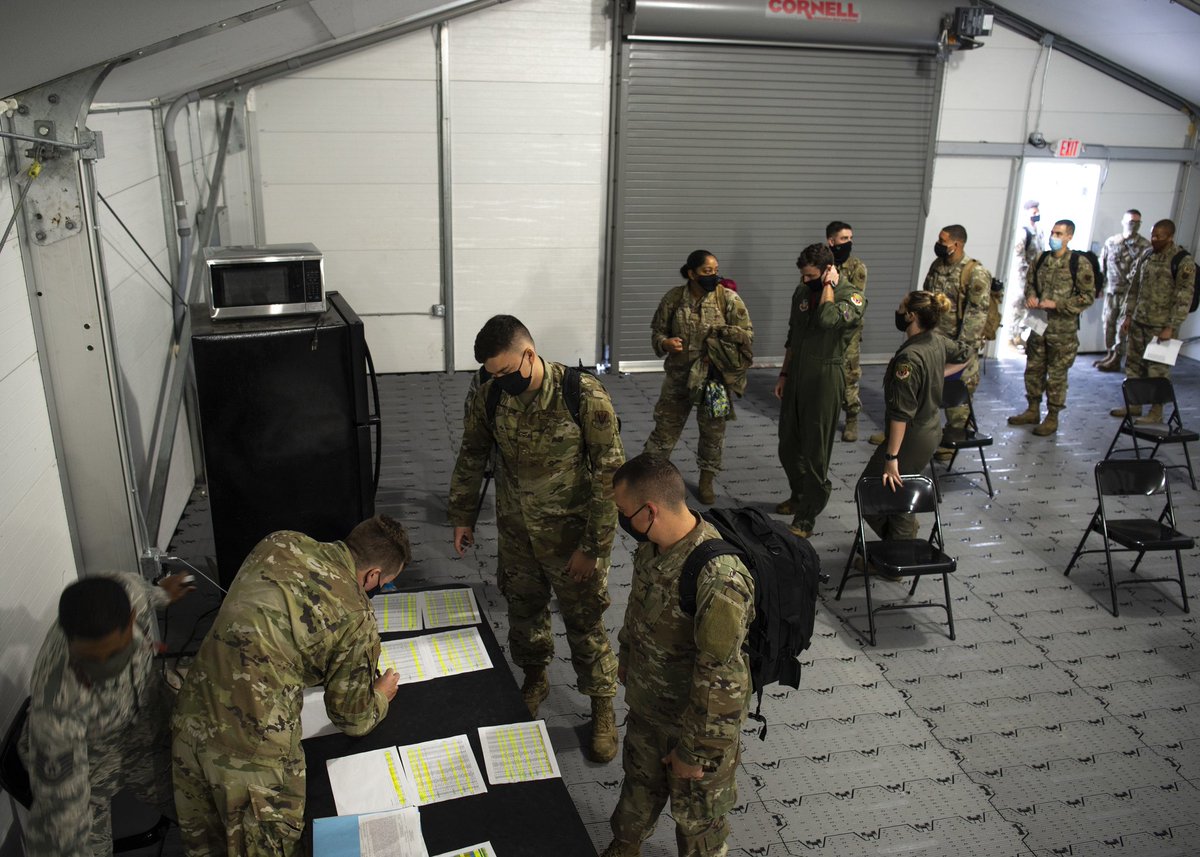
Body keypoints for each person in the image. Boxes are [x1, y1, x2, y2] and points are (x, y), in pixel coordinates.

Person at [172, 515, 411, 857]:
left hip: (190, 720)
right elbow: (352, 718)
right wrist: (380, 696)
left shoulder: (280, 541)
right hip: (252, 758)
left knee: (206, 847)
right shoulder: (356, 615)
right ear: (373, 575)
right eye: (384, 583)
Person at [449, 315, 623, 761]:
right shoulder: (490, 395)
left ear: (529, 354)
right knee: (523, 612)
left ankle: (602, 706)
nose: (500, 382)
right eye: (493, 375)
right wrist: (463, 515)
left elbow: (610, 478)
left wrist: (593, 548)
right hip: (517, 532)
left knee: (585, 623)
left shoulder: (582, 396)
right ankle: (535, 676)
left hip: (572, 538)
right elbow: (472, 452)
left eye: (506, 372)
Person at [601, 454, 754, 857]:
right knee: (637, 792)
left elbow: (724, 680)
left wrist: (694, 753)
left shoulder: (719, 578)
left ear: (649, 511)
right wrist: (628, 661)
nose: (621, 520)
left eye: (623, 512)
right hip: (650, 710)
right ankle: (625, 846)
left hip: (694, 727)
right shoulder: (654, 548)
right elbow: (639, 614)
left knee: (698, 823)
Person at [20, 571, 193, 857]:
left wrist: (163, 594)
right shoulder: (58, 708)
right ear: (69, 640)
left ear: (131, 618)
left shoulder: (128, 591)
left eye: (114, 654)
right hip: (90, 765)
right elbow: (62, 817)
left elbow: (146, 593)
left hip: (145, 730)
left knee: (208, 809)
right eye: (90, 659)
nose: (103, 668)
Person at [644, 250, 754, 505]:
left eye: (715, 270)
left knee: (713, 432)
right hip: (679, 377)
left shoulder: (728, 298)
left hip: (713, 379)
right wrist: (665, 343)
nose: (713, 275)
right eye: (707, 271)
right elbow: (657, 332)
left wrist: (723, 340)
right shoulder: (674, 298)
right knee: (664, 430)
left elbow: (746, 335)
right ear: (691, 273)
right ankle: (648, 478)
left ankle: (706, 479)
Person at [859, 291, 970, 542]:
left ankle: (900, 550)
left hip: (911, 437)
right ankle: (900, 544)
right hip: (930, 431)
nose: (897, 312)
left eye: (901, 307)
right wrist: (936, 375)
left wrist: (891, 457)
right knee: (900, 490)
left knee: (870, 490)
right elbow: (966, 353)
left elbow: (901, 414)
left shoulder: (909, 358)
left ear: (911, 315)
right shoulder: (936, 341)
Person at [775, 243, 866, 537]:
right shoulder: (802, 291)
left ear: (828, 271)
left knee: (816, 451)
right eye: (803, 275)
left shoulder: (851, 296)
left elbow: (827, 319)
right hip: (798, 373)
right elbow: (793, 335)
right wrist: (784, 373)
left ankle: (806, 517)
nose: (805, 281)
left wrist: (828, 287)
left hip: (826, 375)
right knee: (788, 444)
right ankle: (799, 494)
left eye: (812, 275)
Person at [1007, 219, 1095, 436]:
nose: (1054, 237)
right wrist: (1031, 296)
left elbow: (1087, 296)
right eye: (1053, 233)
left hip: (1062, 330)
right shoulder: (1042, 258)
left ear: (1069, 236)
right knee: (1033, 370)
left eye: (1059, 234)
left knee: (1056, 376)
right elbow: (1029, 282)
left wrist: (1059, 304)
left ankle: (1052, 417)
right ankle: (1032, 409)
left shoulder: (1079, 263)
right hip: (1038, 325)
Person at [917, 225, 992, 460]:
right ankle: (919, 434)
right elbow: (927, 298)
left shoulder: (974, 272)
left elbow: (976, 313)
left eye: (943, 240)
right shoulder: (937, 267)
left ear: (956, 244)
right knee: (926, 389)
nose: (939, 244)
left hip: (957, 345)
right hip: (933, 341)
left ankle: (953, 439)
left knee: (956, 393)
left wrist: (963, 350)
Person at [1112, 218, 1196, 423]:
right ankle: (1134, 405)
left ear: (1170, 236)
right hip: (1139, 322)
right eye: (1152, 235)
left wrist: (1171, 326)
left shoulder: (1182, 261)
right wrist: (1128, 315)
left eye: (1159, 236)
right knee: (1134, 365)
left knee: (1158, 370)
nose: (1154, 239)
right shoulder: (1147, 255)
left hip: (1162, 327)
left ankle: (1156, 412)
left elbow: (1184, 297)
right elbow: (1134, 288)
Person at [826, 221, 870, 442]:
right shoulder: (819, 263)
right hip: (823, 330)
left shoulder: (856, 267)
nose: (849, 242)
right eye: (844, 239)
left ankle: (851, 417)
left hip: (847, 332)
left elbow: (855, 301)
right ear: (831, 241)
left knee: (848, 376)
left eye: (850, 238)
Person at [1095, 209, 1151, 372]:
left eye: (1136, 222)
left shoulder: (1145, 246)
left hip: (1130, 295)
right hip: (1111, 291)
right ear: (1123, 222)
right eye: (1130, 221)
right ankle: (1110, 353)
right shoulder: (1111, 242)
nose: (1133, 225)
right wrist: (1100, 287)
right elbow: (1103, 266)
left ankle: (1117, 358)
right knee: (1108, 324)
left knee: (1122, 327)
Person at [1009, 200, 1045, 350]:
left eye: (1037, 212)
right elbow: (1018, 256)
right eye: (1033, 212)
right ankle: (1012, 337)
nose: (1036, 214)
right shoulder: (1025, 232)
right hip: (1024, 277)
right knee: (1019, 306)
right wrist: (1026, 273)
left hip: (1037, 278)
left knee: (1033, 308)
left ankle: (1022, 336)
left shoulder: (1040, 232)